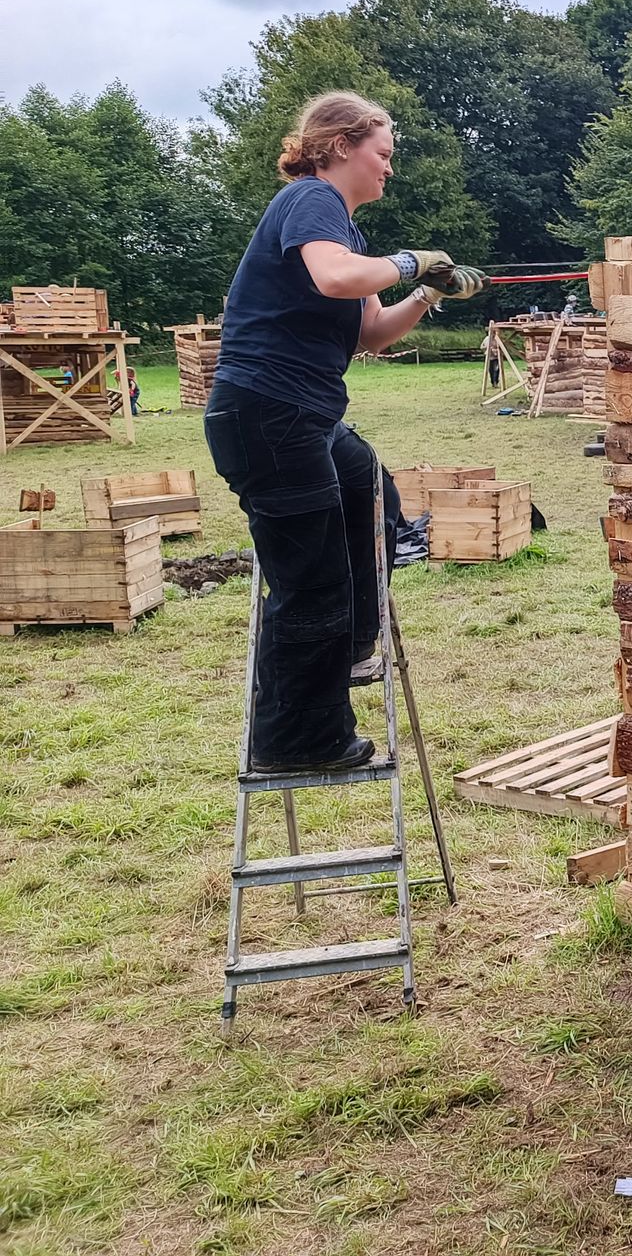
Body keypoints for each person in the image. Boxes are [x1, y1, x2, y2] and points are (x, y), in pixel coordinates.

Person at [203, 90, 484, 772]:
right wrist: (412, 260)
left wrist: (428, 292)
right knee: (311, 582)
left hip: (303, 416)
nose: (389, 168)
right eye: (382, 153)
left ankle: (354, 643)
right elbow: (335, 280)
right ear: (339, 147)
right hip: (268, 415)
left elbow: (372, 333)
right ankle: (296, 741)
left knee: (370, 491)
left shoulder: (345, 234)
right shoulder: (311, 199)